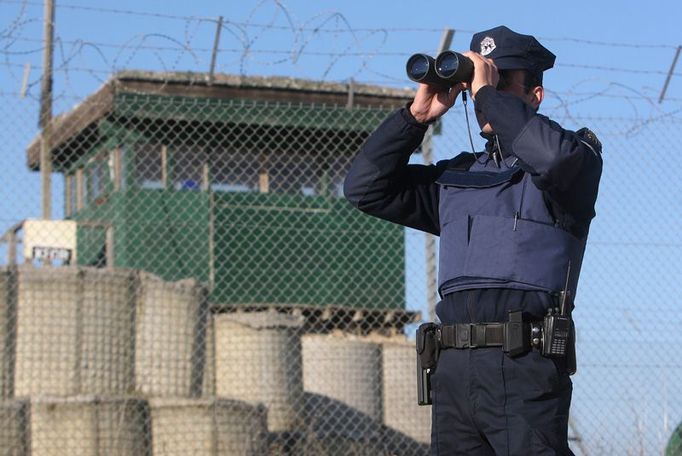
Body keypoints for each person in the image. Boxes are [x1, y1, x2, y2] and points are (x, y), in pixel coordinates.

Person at [344, 25, 602, 455]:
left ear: (535, 96)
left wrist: (487, 94)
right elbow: (364, 189)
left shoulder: (573, 160)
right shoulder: (457, 177)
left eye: (501, 81)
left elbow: (553, 158)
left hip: (525, 368)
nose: (483, 92)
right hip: (452, 372)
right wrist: (416, 117)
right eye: (478, 82)